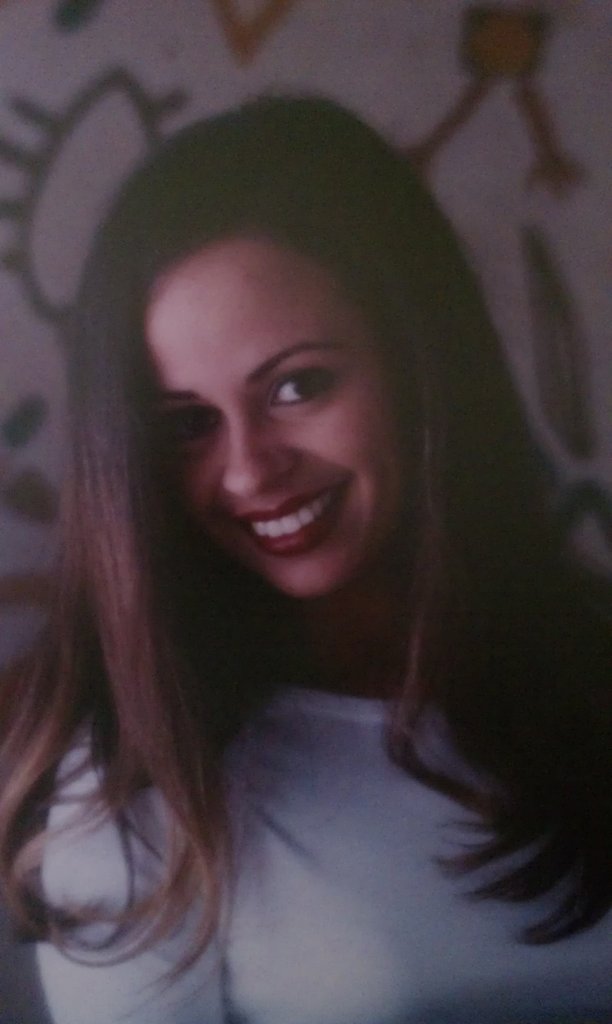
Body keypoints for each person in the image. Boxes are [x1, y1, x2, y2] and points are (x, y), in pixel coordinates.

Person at [0, 95, 611, 1024]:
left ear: (420, 364)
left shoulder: (589, 648)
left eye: (297, 385)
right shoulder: (142, 786)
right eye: (187, 425)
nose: (247, 470)